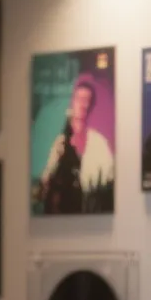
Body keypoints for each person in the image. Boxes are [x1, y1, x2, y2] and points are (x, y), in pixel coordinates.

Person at [37, 77, 114, 213]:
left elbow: (109, 180)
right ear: (72, 102)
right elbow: (42, 184)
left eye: (87, 100)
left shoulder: (99, 143)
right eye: (79, 99)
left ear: (91, 105)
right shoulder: (57, 140)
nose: (83, 105)